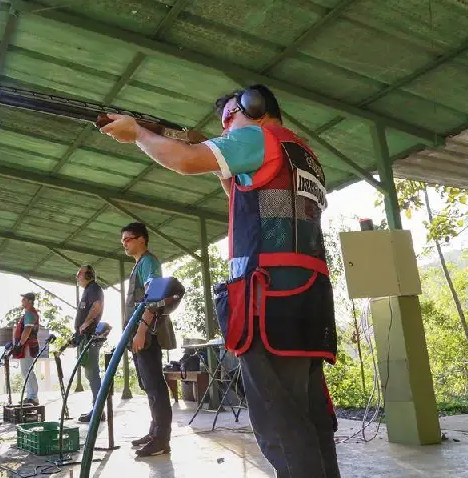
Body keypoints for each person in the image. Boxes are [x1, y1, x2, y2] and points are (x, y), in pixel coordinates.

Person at [100, 85, 340, 477]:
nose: (226, 128)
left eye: (230, 117)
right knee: (310, 416)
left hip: (270, 301)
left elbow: (183, 160)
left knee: (280, 421)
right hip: (306, 299)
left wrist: (140, 134)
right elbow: (247, 193)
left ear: (256, 107)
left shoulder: (258, 136)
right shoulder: (302, 152)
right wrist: (217, 161)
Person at [120, 222, 177, 458]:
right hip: (138, 333)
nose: (124, 243)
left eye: (128, 239)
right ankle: (155, 431)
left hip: (147, 333)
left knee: (155, 385)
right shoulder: (139, 265)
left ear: (142, 239)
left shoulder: (149, 262)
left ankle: (161, 439)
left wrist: (142, 330)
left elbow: (153, 299)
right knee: (149, 385)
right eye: (122, 241)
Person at [74, 265, 106, 423]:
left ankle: (98, 410)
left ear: (87, 274)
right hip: (85, 335)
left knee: (93, 374)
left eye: (79, 273)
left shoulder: (94, 288)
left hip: (91, 335)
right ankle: (97, 408)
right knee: (90, 373)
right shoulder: (87, 290)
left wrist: (86, 323)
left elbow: (96, 306)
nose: (77, 276)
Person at [13, 292, 40, 406]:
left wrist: (20, 344)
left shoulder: (29, 312)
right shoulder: (29, 312)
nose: (22, 301)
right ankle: (30, 396)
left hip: (27, 345)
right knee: (26, 371)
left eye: (23, 299)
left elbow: (27, 330)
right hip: (27, 345)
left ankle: (33, 397)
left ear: (29, 301)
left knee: (27, 371)